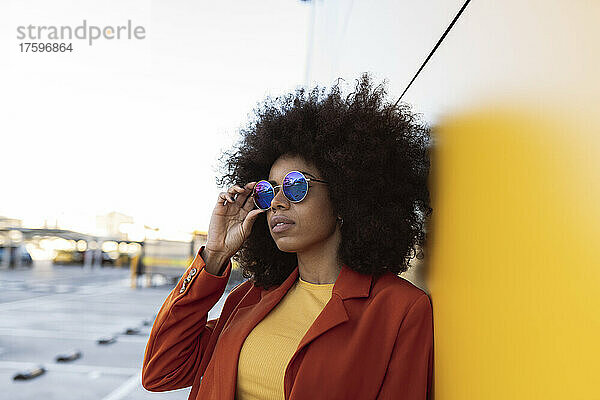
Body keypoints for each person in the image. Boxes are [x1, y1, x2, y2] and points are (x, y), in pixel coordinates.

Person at [141, 73, 434, 399]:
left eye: (296, 186)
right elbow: (161, 371)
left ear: (344, 196)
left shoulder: (399, 309)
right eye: (268, 192)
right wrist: (215, 255)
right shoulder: (251, 299)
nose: (277, 202)